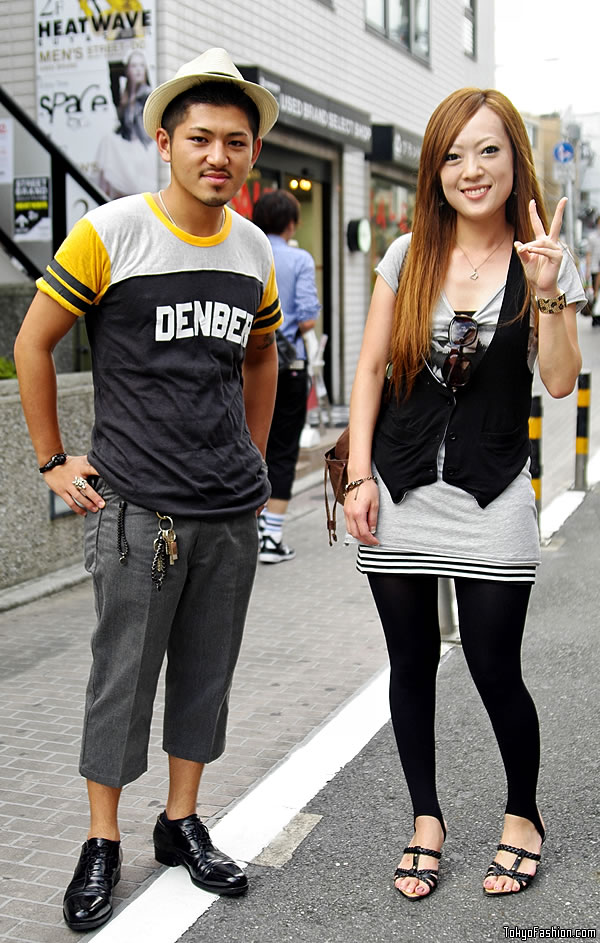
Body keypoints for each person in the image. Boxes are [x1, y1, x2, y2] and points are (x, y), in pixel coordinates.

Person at [14, 47, 281, 932]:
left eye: (235, 142)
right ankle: (102, 838)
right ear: (164, 142)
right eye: (201, 138)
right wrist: (53, 459)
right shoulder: (110, 232)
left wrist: (256, 452)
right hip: (135, 510)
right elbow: (33, 343)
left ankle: (180, 821)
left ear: (250, 154)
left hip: (228, 509)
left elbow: (262, 352)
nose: (219, 155)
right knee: (119, 682)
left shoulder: (254, 250)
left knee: (206, 677)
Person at [344, 87, 585, 901]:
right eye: (452, 154)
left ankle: (523, 815)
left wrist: (547, 287)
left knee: (493, 666)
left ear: (515, 158)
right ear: (433, 169)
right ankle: (426, 820)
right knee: (409, 663)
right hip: (401, 493)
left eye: (487, 150)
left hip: (493, 496)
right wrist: (355, 478)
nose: (470, 169)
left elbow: (557, 382)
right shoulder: (407, 254)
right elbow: (370, 367)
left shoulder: (545, 255)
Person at [252, 190, 321, 563]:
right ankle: (271, 538)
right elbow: (307, 317)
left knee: (248, 443)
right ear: (292, 223)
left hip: (242, 366)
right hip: (287, 367)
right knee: (282, 448)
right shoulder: (298, 259)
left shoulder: (243, 248)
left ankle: (245, 530)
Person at [95, 49, 156, 198]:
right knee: (107, 142)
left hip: (142, 148)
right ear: (127, 70)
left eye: (141, 66)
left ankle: (101, 196)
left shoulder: (146, 95)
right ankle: (100, 195)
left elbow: (141, 129)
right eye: (134, 66)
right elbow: (113, 77)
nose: (138, 70)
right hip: (128, 146)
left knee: (108, 145)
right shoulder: (126, 95)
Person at [585, 214, 600, 326]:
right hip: (595, 268)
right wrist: (587, 270)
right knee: (595, 293)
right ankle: (595, 315)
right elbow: (588, 255)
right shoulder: (592, 237)